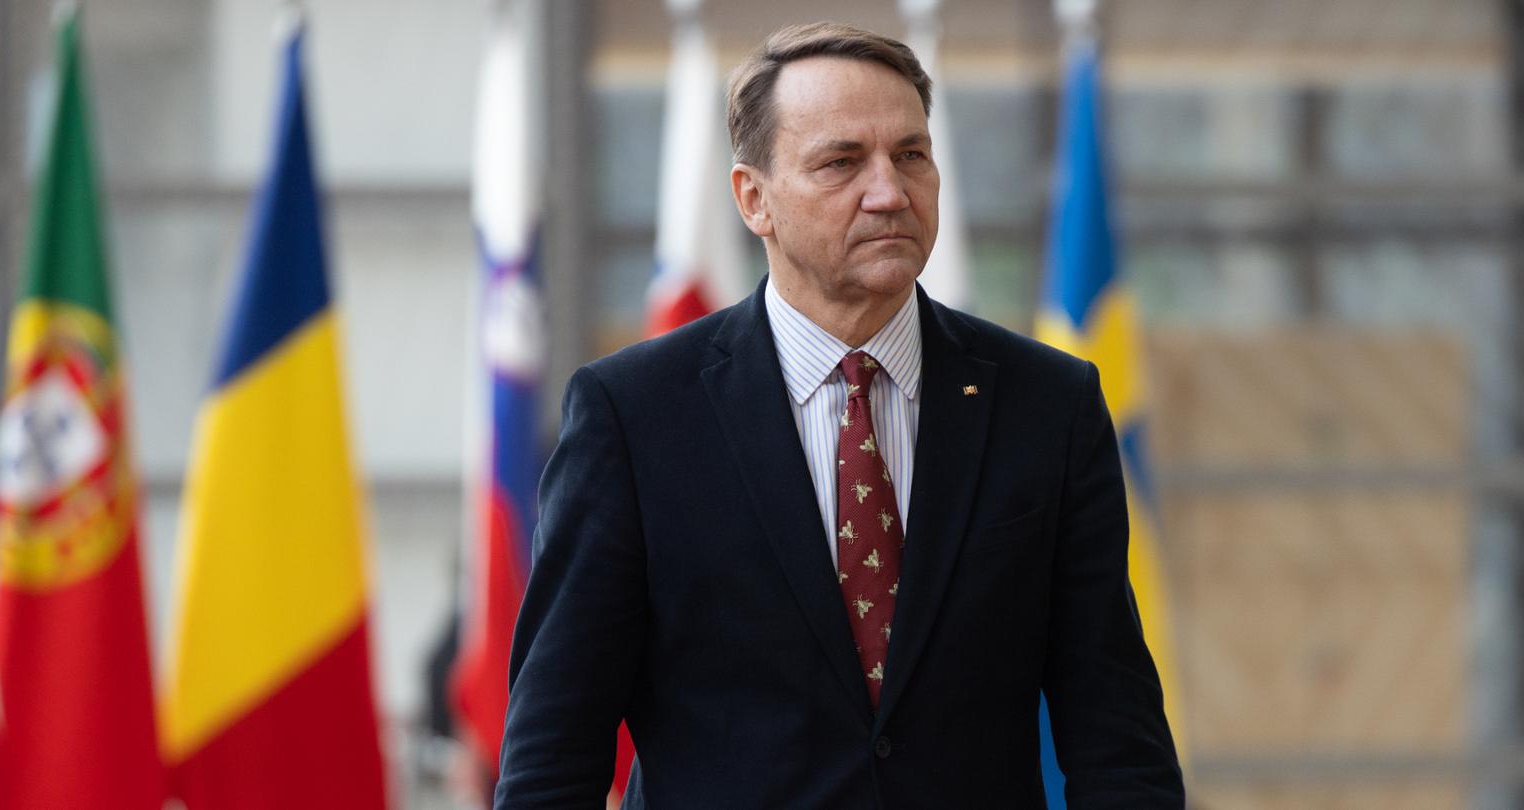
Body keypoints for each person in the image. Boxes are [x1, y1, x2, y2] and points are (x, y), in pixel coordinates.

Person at [494, 21, 1183, 809]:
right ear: (754, 199)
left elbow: (1117, 741)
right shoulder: (634, 417)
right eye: (841, 162)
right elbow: (553, 758)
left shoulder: (1048, 406)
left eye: (911, 156)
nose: (889, 191)